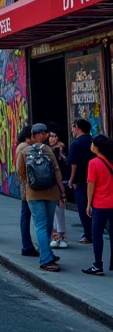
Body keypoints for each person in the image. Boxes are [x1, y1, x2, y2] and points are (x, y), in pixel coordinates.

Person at [16, 123, 66, 272]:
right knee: (49, 226)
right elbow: (57, 171)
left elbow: (21, 173)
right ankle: (47, 254)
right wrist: (62, 191)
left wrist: (29, 184)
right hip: (51, 193)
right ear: (42, 135)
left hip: (33, 194)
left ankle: (46, 258)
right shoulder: (48, 150)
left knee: (40, 226)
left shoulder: (24, 151)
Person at [82, 134, 113, 276]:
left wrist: (88, 203)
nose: (91, 146)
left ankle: (98, 265)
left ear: (97, 147)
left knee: (97, 234)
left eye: (92, 144)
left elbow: (91, 185)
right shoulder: (110, 162)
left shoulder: (93, 163)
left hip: (100, 204)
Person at [67, 117, 93, 244]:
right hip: (94, 180)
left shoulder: (75, 143)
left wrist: (71, 180)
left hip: (81, 181)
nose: (71, 130)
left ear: (77, 128)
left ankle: (88, 234)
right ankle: (94, 232)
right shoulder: (93, 141)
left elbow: (74, 164)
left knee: (83, 208)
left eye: (72, 127)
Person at [16, 126, 38, 257]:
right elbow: (22, 170)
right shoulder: (24, 147)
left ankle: (27, 244)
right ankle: (27, 245)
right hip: (27, 188)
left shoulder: (22, 146)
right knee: (27, 215)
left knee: (26, 215)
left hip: (26, 186)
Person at [48, 128, 70, 250]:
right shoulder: (47, 150)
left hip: (59, 183)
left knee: (59, 211)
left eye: (55, 136)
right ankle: (56, 237)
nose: (53, 138)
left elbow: (64, 168)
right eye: (51, 136)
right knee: (54, 211)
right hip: (51, 184)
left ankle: (61, 237)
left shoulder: (60, 150)